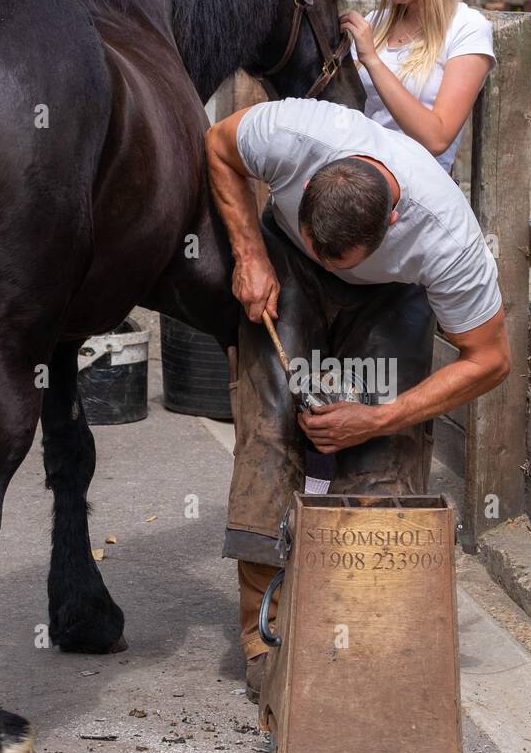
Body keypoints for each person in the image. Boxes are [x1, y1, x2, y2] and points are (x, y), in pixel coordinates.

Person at [205, 97, 510, 700]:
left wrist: (379, 417)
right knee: (271, 426)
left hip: (390, 295)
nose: (330, 264)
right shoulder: (292, 134)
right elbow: (217, 142)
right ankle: (264, 639)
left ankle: (355, 623)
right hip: (284, 264)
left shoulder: (444, 236)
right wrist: (250, 252)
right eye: (322, 244)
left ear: (392, 223)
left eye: (337, 257)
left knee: (383, 461)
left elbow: (491, 359)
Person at [341, 0, 494, 172]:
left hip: (419, 177)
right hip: (362, 165)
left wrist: (372, 60)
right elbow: (345, 108)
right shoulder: (375, 23)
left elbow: (436, 139)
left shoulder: (467, 28)